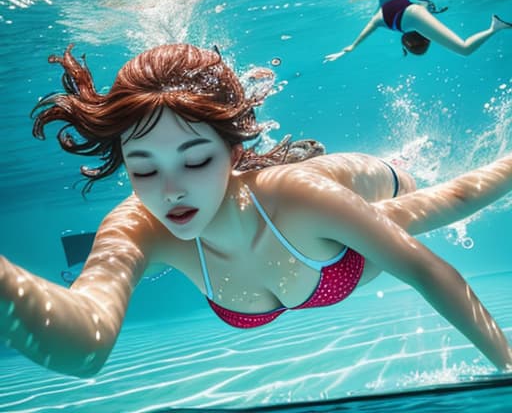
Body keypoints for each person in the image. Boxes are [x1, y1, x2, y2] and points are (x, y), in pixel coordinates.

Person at [1, 43, 512, 378]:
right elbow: (86, 341)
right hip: (305, 220)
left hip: (360, 186)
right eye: (145, 169)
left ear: (233, 152)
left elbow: (427, 270)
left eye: (196, 159)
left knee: (446, 202)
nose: (172, 191)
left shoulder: (300, 199)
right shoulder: (138, 226)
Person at [324, 0, 512, 60]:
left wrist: (352, 47)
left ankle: (495, 28)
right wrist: (351, 47)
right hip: (412, 8)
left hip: (415, 12)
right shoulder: (382, 21)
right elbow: (367, 30)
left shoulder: (408, 24)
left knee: (464, 50)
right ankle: (494, 27)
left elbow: (367, 31)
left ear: (425, 38)